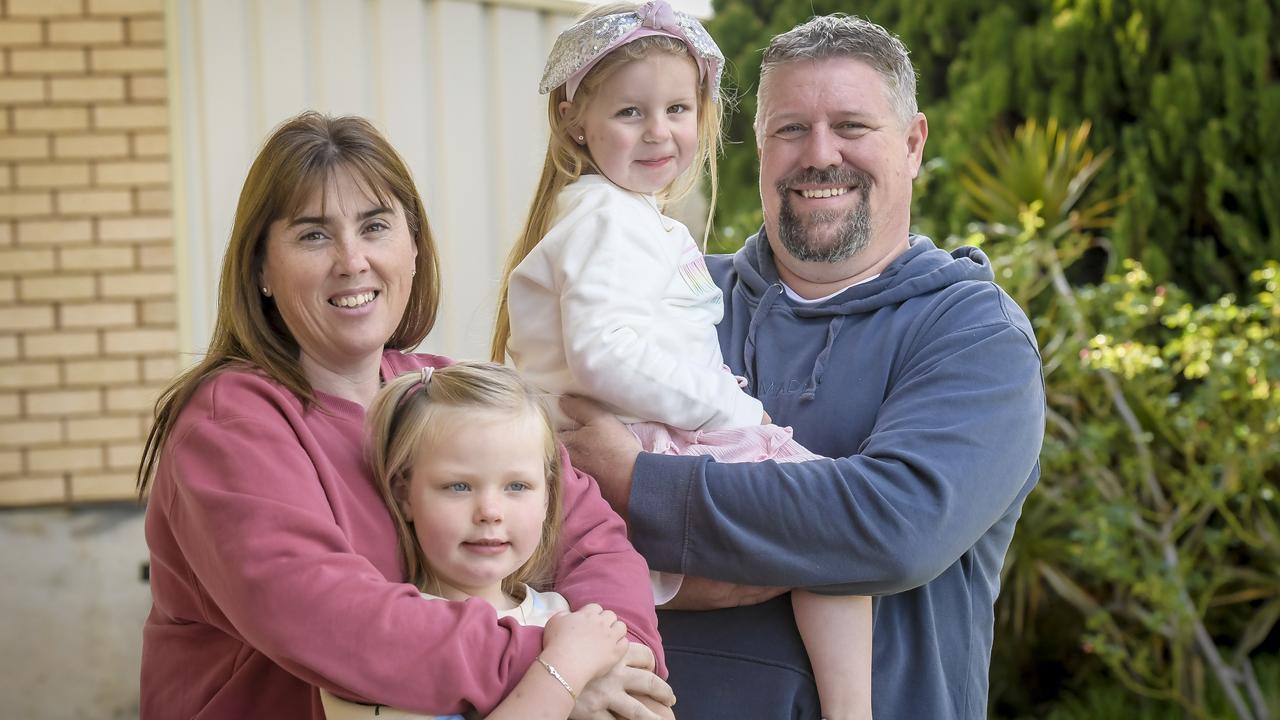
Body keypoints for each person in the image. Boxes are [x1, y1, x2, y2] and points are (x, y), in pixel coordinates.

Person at [559, 13, 1047, 720]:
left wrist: (642, 486)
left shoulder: (972, 334)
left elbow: (890, 525)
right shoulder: (673, 299)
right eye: (790, 129)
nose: (820, 154)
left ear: (912, 145)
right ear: (758, 146)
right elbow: (542, 503)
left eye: (852, 126)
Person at [137, 112, 674, 720]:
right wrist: (558, 671)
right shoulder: (228, 423)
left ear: (413, 246)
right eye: (314, 235)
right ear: (261, 267)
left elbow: (592, 542)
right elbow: (328, 619)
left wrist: (619, 659)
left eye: (375, 227)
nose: (352, 260)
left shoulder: (445, 394)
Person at [491, 2, 871, 718]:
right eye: (631, 112)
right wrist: (726, 411)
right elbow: (605, 357)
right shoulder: (605, 218)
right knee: (833, 526)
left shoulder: (630, 216)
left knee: (824, 536)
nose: (659, 132)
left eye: (676, 108)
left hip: (638, 438)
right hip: (633, 442)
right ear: (575, 118)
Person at [322, 362, 634, 719]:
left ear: (547, 498)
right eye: (459, 486)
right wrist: (565, 667)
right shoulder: (395, 641)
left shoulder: (569, 620)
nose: (490, 511)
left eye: (517, 486)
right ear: (405, 494)